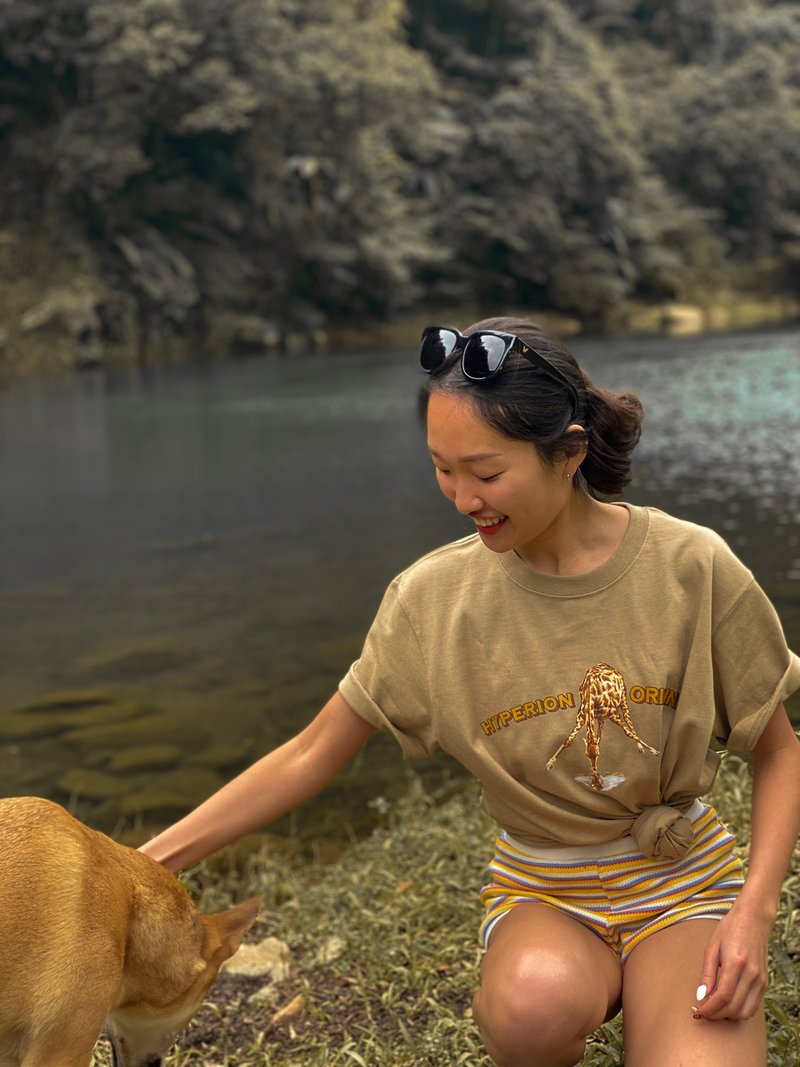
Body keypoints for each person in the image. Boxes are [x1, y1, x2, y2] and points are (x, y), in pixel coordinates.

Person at [140, 317, 800, 1067]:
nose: (461, 498)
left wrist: (753, 912)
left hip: (684, 884)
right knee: (531, 1006)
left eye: (485, 474)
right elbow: (308, 755)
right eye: (442, 469)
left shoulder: (692, 567)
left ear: (570, 451)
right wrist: (143, 863)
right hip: (548, 892)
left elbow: (780, 752)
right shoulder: (432, 600)